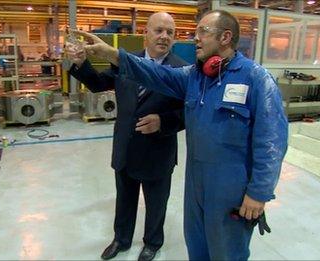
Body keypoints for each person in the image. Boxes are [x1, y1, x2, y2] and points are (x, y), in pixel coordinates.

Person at [71, 9, 288, 261]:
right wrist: (111, 54)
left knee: (226, 249)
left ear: (226, 37)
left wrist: (259, 192)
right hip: (195, 181)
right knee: (196, 244)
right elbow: (154, 73)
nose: (195, 38)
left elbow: (272, 141)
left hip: (231, 184)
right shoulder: (195, 76)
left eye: (203, 32)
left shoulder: (256, 79)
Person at [66, 12, 188, 261]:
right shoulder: (126, 62)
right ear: (146, 33)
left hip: (158, 150)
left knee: (156, 203)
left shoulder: (182, 71)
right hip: (125, 148)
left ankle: (152, 242)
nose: (164, 36)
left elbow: (189, 112)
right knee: (124, 199)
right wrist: (80, 64)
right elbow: (99, 84)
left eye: (170, 32)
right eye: (159, 30)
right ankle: (121, 240)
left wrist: (163, 122)